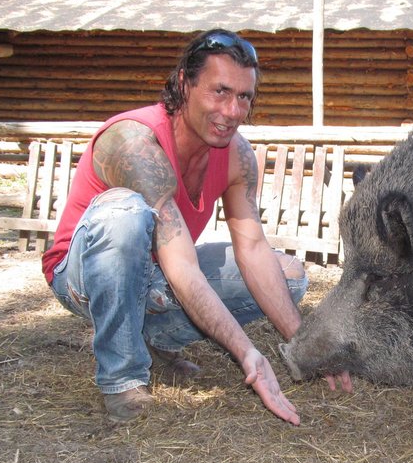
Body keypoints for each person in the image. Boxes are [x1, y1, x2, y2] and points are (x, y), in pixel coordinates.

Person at [41, 29, 351, 424]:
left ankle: (152, 340)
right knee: (125, 213)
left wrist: (309, 348)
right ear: (185, 84)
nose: (233, 111)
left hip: (157, 274)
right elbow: (182, 265)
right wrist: (246, 352)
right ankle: (121, 377)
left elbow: (253, 251)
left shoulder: (237, 155)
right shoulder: (133, 141)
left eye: (244, 97)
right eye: (220, 91)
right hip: (83, 275)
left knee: (288, 275)